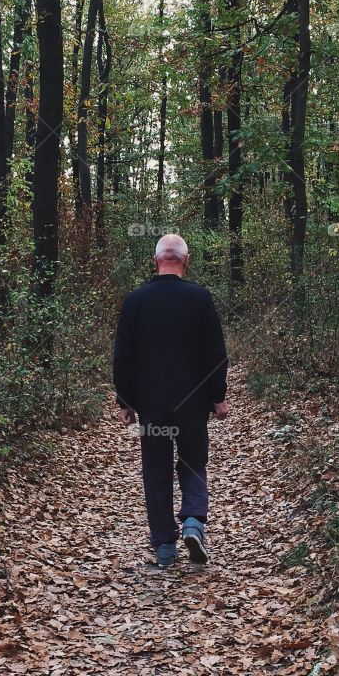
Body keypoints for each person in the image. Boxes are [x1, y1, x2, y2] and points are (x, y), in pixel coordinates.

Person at [112, 234, 228, 568]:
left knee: (156, 470)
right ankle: (193, 521)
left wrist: (126, 400)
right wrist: (217, 397)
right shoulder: (200, 299)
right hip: (193, 404)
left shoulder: (136, 301)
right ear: (186, 260)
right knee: (193, 462)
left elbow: (123, 357)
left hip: (153, 404)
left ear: (155, 260)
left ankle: (164, 545)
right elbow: (215, 354)